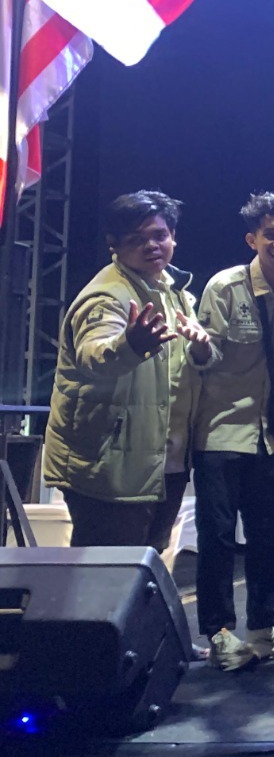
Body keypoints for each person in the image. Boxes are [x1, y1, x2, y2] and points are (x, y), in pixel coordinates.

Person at [44, 190, 212, 549]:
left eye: (159, 235)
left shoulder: (172, 291)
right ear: (114, 244)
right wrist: (129, 345)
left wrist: (201, 350)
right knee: (107, 571)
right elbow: (92, 358)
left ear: (173, 236)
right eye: (137, 239)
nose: (151, 245)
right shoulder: (107, 296)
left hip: (163, 462)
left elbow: (179, 368)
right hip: (110, 467)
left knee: (142, 566)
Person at [190, 192, 274, 671]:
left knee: (267, 537)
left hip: (271, 435)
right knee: (218, 538)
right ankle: (220, 633)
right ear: (252, 239)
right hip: (221, 429)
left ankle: (263, 627)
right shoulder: (225, 286)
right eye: (270, 234)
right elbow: (205, 357)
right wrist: (200, 347)